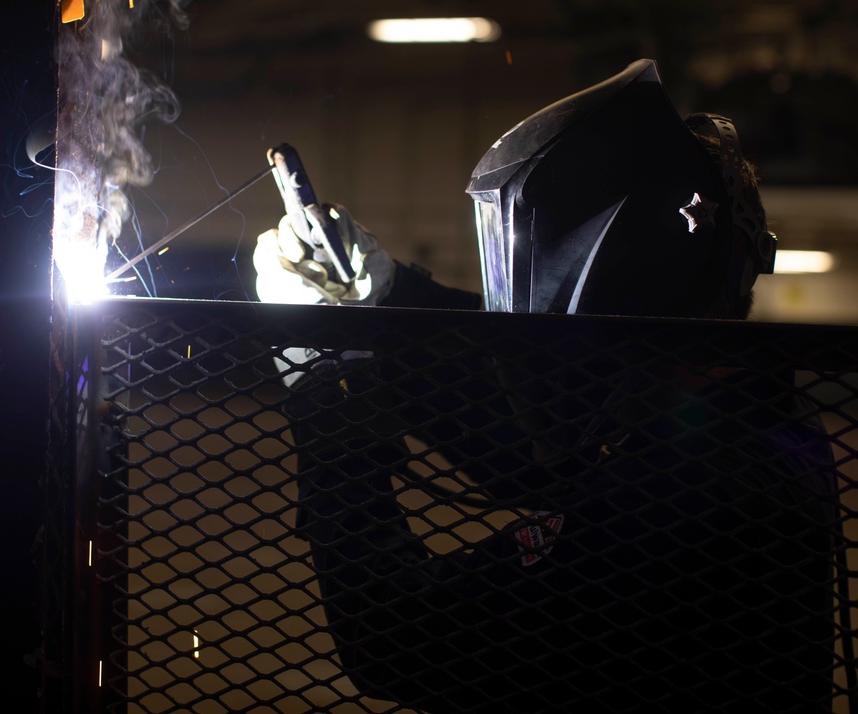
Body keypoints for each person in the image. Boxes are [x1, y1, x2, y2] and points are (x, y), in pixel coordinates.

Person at [253, 59, 839, 712]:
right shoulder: (745, 424)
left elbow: (400, 636)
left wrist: (326, 385)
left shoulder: (681, 500)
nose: (534, 334)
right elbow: (527, 452)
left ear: (622, 284)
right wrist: (392, 300)